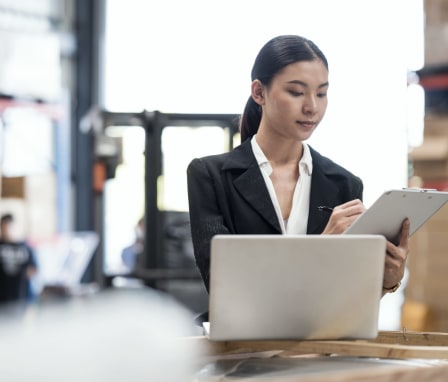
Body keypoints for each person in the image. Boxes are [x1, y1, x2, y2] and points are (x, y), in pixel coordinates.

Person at [187, 35, 409, 305]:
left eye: (321, 93)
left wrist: (385, 282)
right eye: (296, 92)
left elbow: (344, 298)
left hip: (320, 344)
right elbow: (225, 286)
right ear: (259, 92)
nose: (312, 107)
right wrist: (321, 247)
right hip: (243, 344)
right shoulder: (210, 176)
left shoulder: (344, 184)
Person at [0, 213, 38, 304]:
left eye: (9, 226)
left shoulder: (25, 247)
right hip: (3, 298)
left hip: (22, 296)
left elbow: (33, 268)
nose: (7, 230)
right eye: (4, 227)